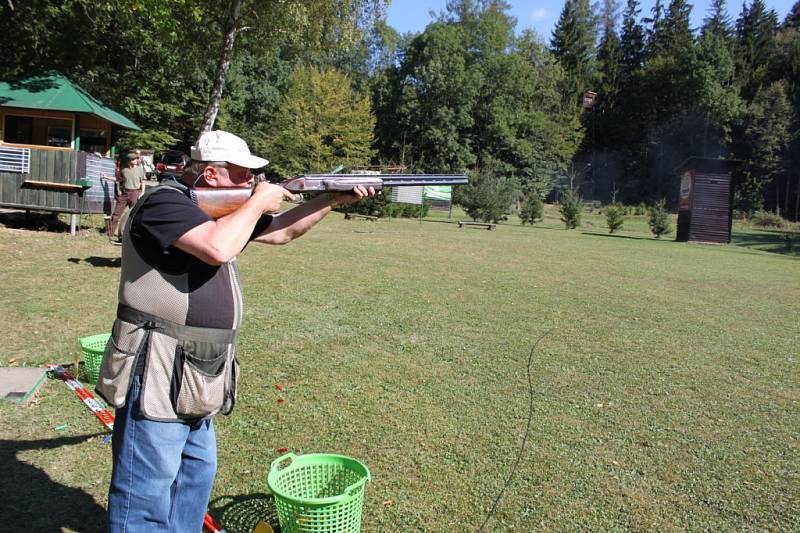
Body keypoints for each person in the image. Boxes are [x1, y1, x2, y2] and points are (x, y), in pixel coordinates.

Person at [95, 130, 376, 532]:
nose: (254, 182)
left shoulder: (217, 211)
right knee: (146, 490)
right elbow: (218, 248)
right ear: (211, 175)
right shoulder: (164, 203)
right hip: (158, 363)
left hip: (201, 369)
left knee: (193, 480)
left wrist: (329, 197)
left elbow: (279, 230)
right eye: (246, 175)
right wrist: (260, 199)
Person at [108, 150, 146, 238]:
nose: (136, 161)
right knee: (116, 214)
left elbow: (143, 181)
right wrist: (106, 177)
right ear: (129, 161)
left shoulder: (140, 170)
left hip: (135, 193)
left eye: (137, 159)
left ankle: (132, 234)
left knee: (134, 214)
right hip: (125, 193)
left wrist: (142, 192)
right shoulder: (124, 170)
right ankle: (110, 232)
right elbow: (118, 179)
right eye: (134, 159)